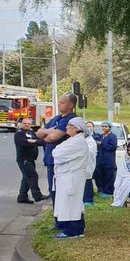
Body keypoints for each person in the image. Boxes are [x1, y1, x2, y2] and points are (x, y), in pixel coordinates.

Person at [36, 93, 79, 227]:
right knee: (53, 191)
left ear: (71, 105)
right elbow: (39, 132)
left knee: (61, 192)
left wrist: (47, 133)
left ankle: (63, 221)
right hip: (51, 161)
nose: (59, 105)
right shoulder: (57, 118)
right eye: (59, 102)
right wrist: (48, 132)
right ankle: (58, 220)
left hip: (62, 163)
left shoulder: (71, 120)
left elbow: (52, 137)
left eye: (62, 103)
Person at [52, 118, 95, 239]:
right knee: (66, 203)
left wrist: (57, 153)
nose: (66, 127)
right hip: (66, 176)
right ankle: (69, 227)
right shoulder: (72, 140)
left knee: (71, 203)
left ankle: (73, 230)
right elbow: (56, 151)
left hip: (72, 177)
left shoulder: (78, 142)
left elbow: (58, 154)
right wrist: (57, 153)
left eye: (69, 125)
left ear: (77, 128)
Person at [14, 117, 44, 204]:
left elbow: (41, 142)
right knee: (32, 176)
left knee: (26, 178)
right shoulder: (19, 133)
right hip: (24, 159)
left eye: (28, 123)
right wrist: (32, 142)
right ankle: (37, 196)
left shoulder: (31, 133)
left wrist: (32, 141)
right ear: (21, 124)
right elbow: (23, 143)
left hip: (31, 159)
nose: (27, 125)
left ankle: (22, 197)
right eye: (25, 123)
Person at [95, 122, 118, 198]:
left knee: (109, 176)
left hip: (109, 160)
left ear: (109, 127)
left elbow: (113, 147)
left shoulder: (113, 136)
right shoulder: (101, 136)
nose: (104, 128)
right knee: (101, 175)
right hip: (100, 159)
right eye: (103, 126)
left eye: (106, 126)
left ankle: (109, 192)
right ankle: (102, 190)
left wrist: (102, 144)